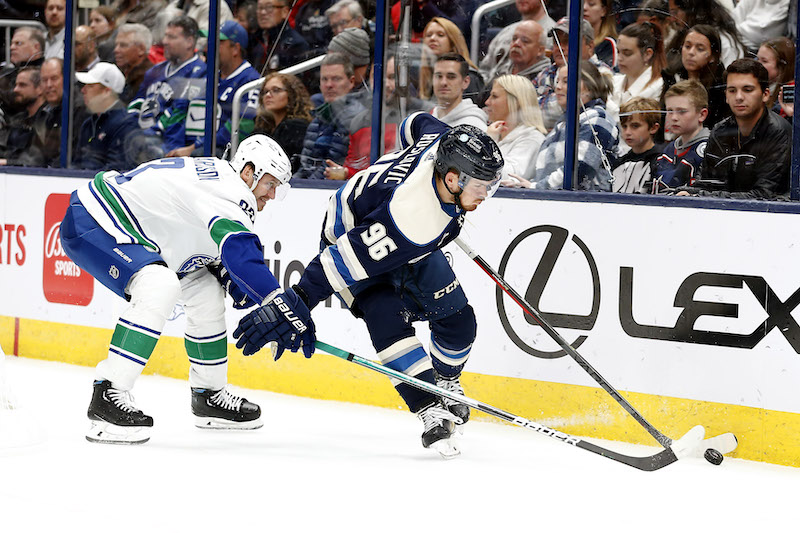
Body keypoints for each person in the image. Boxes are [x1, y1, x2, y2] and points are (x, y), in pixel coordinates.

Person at [234, 114, 505, 458]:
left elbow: (415, 123)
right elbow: (339, 262)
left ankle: (446, 380)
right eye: (481, 187)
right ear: (452, 178)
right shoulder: (411, 219)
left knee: (459, 320)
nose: (486, 195)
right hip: (351, 233)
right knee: (386, 317)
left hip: (400, 233)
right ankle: (429, 406)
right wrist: (297, 300)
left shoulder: (444, 140)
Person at [60, 135, 293, 444]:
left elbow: (214, 248)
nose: (273, 195)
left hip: (146, 237)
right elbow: (239, 251)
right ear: (248, 172)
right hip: (95, 220)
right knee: (159, 284)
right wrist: (279, 304)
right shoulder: (231, 191)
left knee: (206, 291)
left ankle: (208, 396)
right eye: (270, 183)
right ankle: (108, 393)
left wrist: (229, 276)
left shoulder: (219, 179)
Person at [680, 59, 791, 199]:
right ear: (726, 96)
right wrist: (687, 193)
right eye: (732, 90)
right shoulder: (721, 131)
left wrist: (701, 195)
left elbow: (764, 196)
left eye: (747, 90)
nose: (738, 97)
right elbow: (705, 183)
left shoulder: (778, 131)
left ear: (765, 94)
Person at [170, 20, 260, 157]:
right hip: (190, 148)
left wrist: (193, 148)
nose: (207, 49)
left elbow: (242, 127)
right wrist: (175, 146)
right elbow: (183, 111)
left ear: (235, 49)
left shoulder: (250, 81)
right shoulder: (208, 76)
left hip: (219, 155)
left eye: (217, 43)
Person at [531, 61, 617, 190]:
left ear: (588, 87)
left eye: (566, 81)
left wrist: (536, 187)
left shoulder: (598, 119)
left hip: (587, 205)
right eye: (557, 81)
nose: (558, 87)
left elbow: (580, 170)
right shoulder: (563, 123)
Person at [128, 15, 206, 156]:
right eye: (165, 36)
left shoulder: (200, 73)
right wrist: (131, 132)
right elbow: (137, 105)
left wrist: (160, 147)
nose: (165, 42)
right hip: (142, 141)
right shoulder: (154, 71)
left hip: (168, 149)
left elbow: (179, 119)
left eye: (172, 37)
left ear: (189, 42)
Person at [292, 52, 365, 180]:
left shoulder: (355, 119)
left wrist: (300, 187)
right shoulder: (317, 119)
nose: (329, 85)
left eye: (336, 79)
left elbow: (332, 164)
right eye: (324, 79)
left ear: (351, 81)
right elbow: (305, 167)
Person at [73, 62, 145, 171]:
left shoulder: (126, 125)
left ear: (107, 91)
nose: (83, 90)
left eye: (90, 86)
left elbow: (116, 172)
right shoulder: (88, 124)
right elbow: (76, 164)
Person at [661, 25, 729, 131]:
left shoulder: (719, 88)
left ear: (713, 56)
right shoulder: (671, 77)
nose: (691, 52)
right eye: (687, 46)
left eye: (700, 49)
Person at [484, 74, 546, 187]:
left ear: (516, 101)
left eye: (495, 96)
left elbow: (506, 177)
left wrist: (488, 143)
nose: (487, 102)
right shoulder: (493, 133)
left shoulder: (532, 139)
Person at [652, 80, 709, 192]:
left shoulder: (710, 150)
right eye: (670, 111)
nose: (674, 117)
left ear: (702, 115)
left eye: (682, 111)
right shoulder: (668, 150)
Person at [479, 0, 556, 83]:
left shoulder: (553, 35)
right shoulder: (506, 32)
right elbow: (485, 71)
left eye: (525, 41)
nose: (517, 43)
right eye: (514, 38)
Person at [253, 72, 313, 173]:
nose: (268, 95)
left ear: (291, 94)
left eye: (276, 90)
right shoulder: (263, 128)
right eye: (265, 91)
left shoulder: (296, 126)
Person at [418, 17, 484, 105]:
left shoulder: (470, 76)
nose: (432, 38)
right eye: (428, 35)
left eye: (440, 35)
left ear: (453, 41)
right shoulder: (427, 74)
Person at [665, 0, 745, 71]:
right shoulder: (681, 34)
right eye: (687, 46)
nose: (672, 18)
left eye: (675, 12)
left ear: (692, 11)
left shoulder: (724, 42)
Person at [610, 22, 665, 111]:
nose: (619, 58)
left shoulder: (658, 87)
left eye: (627, 53)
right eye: (618, 52)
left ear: (647, 54)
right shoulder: (614, 81)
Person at [611, 97, 663, 193]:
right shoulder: (619, 162)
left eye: (635, 126)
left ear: (653, 128)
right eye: (624, 126)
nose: (627, 132)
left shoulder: (662, 161)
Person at [0, 67, 48, 167]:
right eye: (16, 85)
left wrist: (7, 162)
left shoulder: (48, 120)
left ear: (40, 89)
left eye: (22, 85)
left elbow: (38, 160)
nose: (15, 90)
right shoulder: (17, 120)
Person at [249, 0, 310, 73]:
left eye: (269, 7)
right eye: (260, 8)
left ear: (285, 12)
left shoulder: (295, 44)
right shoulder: (255, 40)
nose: (263, 12)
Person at [430, 53, 487, 130]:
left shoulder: (474, 125)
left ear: (465, 82)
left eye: (451, 77)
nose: (443, 82)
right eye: (439, 76)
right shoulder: (427, 120)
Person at [0, 26, 45, 115]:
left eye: (18, 43)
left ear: (36, 47)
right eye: (12, 43)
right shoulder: (7, 73)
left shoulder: (45, 74)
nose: (12, 47)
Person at [114, 23, 154, 106]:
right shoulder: (118, 73)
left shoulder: (150, 78)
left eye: (123, 45)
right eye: (116, 45)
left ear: (141, 49)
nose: (116, 50)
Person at [757, 37, 795, 110]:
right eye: (757, 59)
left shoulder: (789, 93)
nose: (757, 64)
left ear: (782, 66)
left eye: (764, 61)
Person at [583, 0, 618, 67]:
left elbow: (607, 74)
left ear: (603, 11)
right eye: (581, 4)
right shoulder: (571, 40)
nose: (584, 8)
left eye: (591, 4)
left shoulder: (609, 44)